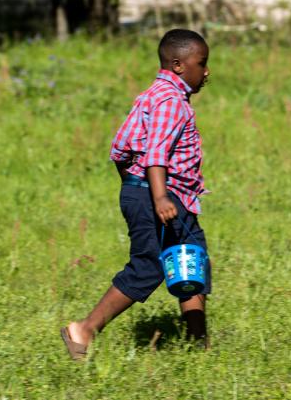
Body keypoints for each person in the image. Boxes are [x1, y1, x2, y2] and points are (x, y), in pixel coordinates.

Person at [61, 28, 212, 359]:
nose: (206, 72)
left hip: (156, 194)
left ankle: (198, 346)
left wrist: (132, 187)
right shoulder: (171, 102)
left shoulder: (151, 96)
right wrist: (156, 197)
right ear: (177, 65)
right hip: (161, 197)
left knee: (190, 264)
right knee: (149, 266)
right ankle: (84, 330)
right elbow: (156, 154)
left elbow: (119, 148)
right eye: (201, 64)